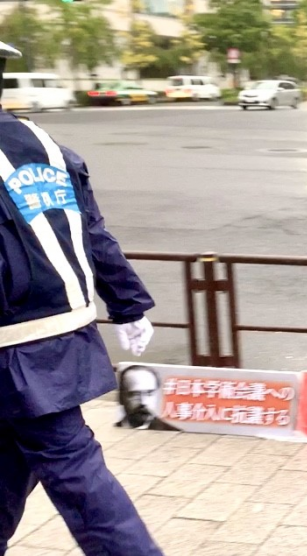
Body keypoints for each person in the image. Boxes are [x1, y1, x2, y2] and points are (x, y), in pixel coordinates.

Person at [0, 40, 164, 556]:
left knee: (77, 474)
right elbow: (93, 232)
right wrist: (129, 305)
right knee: (8, 467)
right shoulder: (43, 144)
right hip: (61, 334)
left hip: (15, 349)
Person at [116, 366, 180, 432]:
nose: (143, 402)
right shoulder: (115, 428)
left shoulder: (171, 431)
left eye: (149, 393)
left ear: (157, 396)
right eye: (135, 394)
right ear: (121, 397)